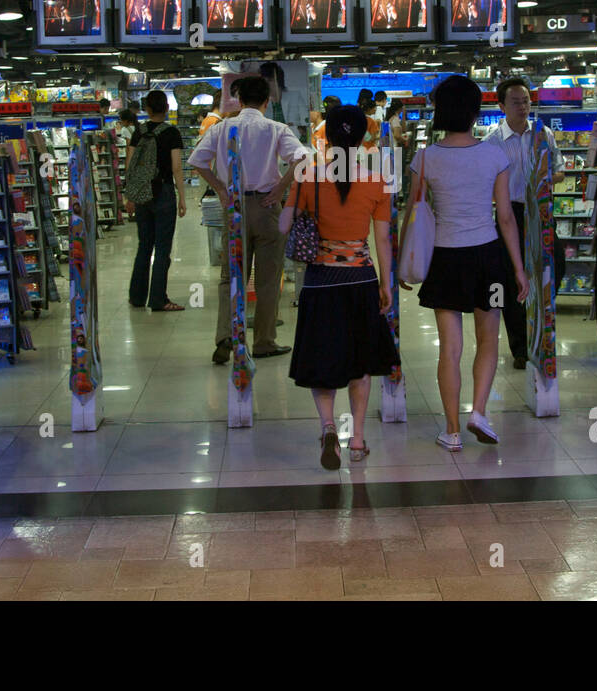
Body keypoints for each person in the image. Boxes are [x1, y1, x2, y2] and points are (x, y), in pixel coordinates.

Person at [400, 75, 528, 450]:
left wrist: (402, 264)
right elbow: (505, 217)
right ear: (476, 112)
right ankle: (480, 412)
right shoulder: (494, 155)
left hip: (445, 259)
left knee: (450, 347)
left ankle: (452, 430)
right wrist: (518, 268)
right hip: (488, 258)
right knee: (489, 340)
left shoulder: (426, 158)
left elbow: (413, 212)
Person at [286, 105, 399, 468]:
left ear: (326, 136)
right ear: (364, 136)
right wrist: (387, 284)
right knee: (360, 363)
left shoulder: (307, 175)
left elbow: (282, 226)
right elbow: (383, 240)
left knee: (324, 358)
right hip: (361, 280)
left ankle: (329, 427)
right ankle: (359, 440)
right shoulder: (379, 180)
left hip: (320, 280)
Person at [190, 75, 309, 363]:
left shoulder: (221, 129)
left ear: (239, 101)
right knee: (269, 279)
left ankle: (226, 337)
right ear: (267, 102)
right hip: (268, 207)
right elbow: (303, 158)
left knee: (231, 276)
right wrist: (280, 187)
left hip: (234, 209)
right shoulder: (276, 128)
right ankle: (264, 342)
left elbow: (196, 161)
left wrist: (220, 188)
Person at [483, 76, 566, 369]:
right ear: (502, 104)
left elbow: (559, 171)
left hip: (540, 212)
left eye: (527, 100)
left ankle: (540, 329)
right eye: (516, 102)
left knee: (554, 266)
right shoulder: (492, 143)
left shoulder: (543, 135)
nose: (523, 106)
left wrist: (544, 180)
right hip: (509, 214)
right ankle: (520, 347)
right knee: (509, 278)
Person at [127, 90, 188, 311]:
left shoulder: (139, 131)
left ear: (147, 109)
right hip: (162, 192)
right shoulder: (171, 132)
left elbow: (130, 164)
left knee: (144, 245)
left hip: (142, 194)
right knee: (162, 249)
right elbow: (177, 167)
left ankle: (136, 296)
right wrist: (182, 197)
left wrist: (130, 195)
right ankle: (158, 299)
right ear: (167, 109)